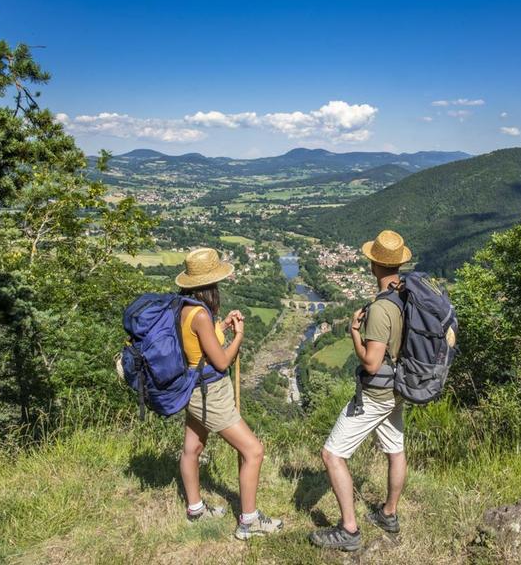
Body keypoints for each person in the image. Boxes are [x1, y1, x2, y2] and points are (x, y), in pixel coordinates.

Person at [309, 230, 411, 552]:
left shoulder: (381, 309)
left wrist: (355, 332)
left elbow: (370, 362)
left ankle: (349, 530)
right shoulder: (406, 297)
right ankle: (389, 514)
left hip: (376, 395)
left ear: (373, 265)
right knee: (395, 450)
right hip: (397, 389)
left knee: (332, 454)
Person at [175, 247, 283, 540]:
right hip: (210, 393)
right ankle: (249, 521)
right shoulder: (200, 315)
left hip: (193, 390)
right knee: (253, 450)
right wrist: (238, 337)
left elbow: (199, 344)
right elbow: (221, 360)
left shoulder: (185, 307)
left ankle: (195, 509)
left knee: (192, 449)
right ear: (210, 284)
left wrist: (221, 325)